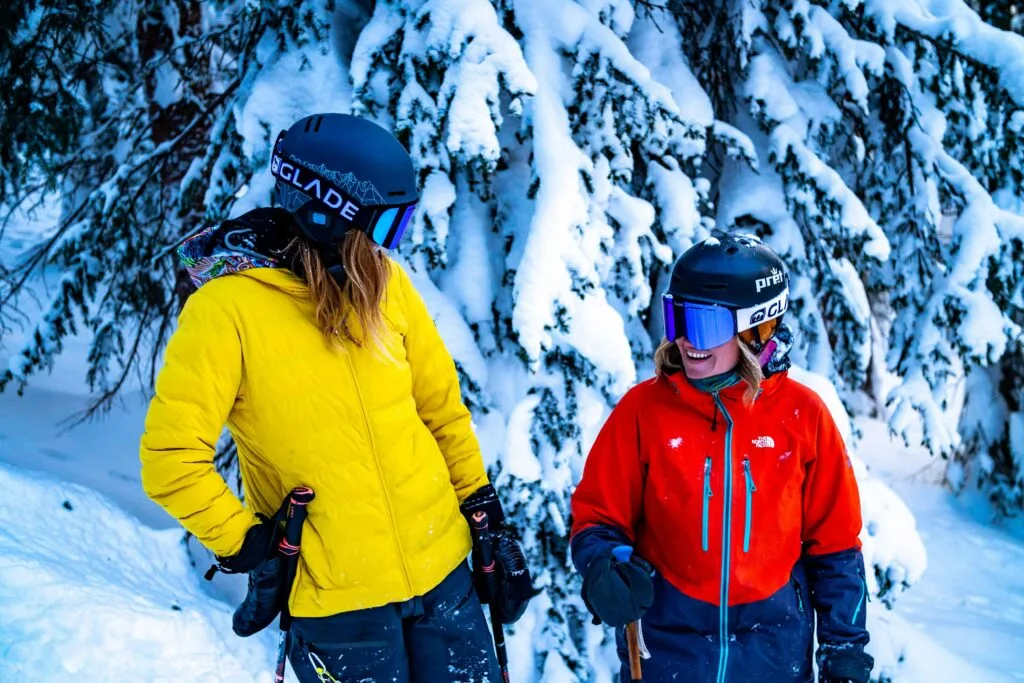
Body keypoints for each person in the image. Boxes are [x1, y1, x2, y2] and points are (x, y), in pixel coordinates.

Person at [140, 113, 532, 682]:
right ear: (327, 211)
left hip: (445, 581)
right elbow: (170, 458)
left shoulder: (385, 285)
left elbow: (440, 411)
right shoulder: (226, 311)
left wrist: (484, 516)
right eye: (384, 224)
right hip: (341, 610)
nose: (389, 245)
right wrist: (250, 545)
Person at [569, 233, 872, 683]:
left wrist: (844, 648)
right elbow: (597, 517)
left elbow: (837, 548)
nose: (689, 340)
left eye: (706, 324)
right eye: (678, 318)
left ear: (755, 330)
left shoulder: (802, 417)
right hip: (667, 652)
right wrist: (603, 564)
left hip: (774, 653)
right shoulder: (643, 412)